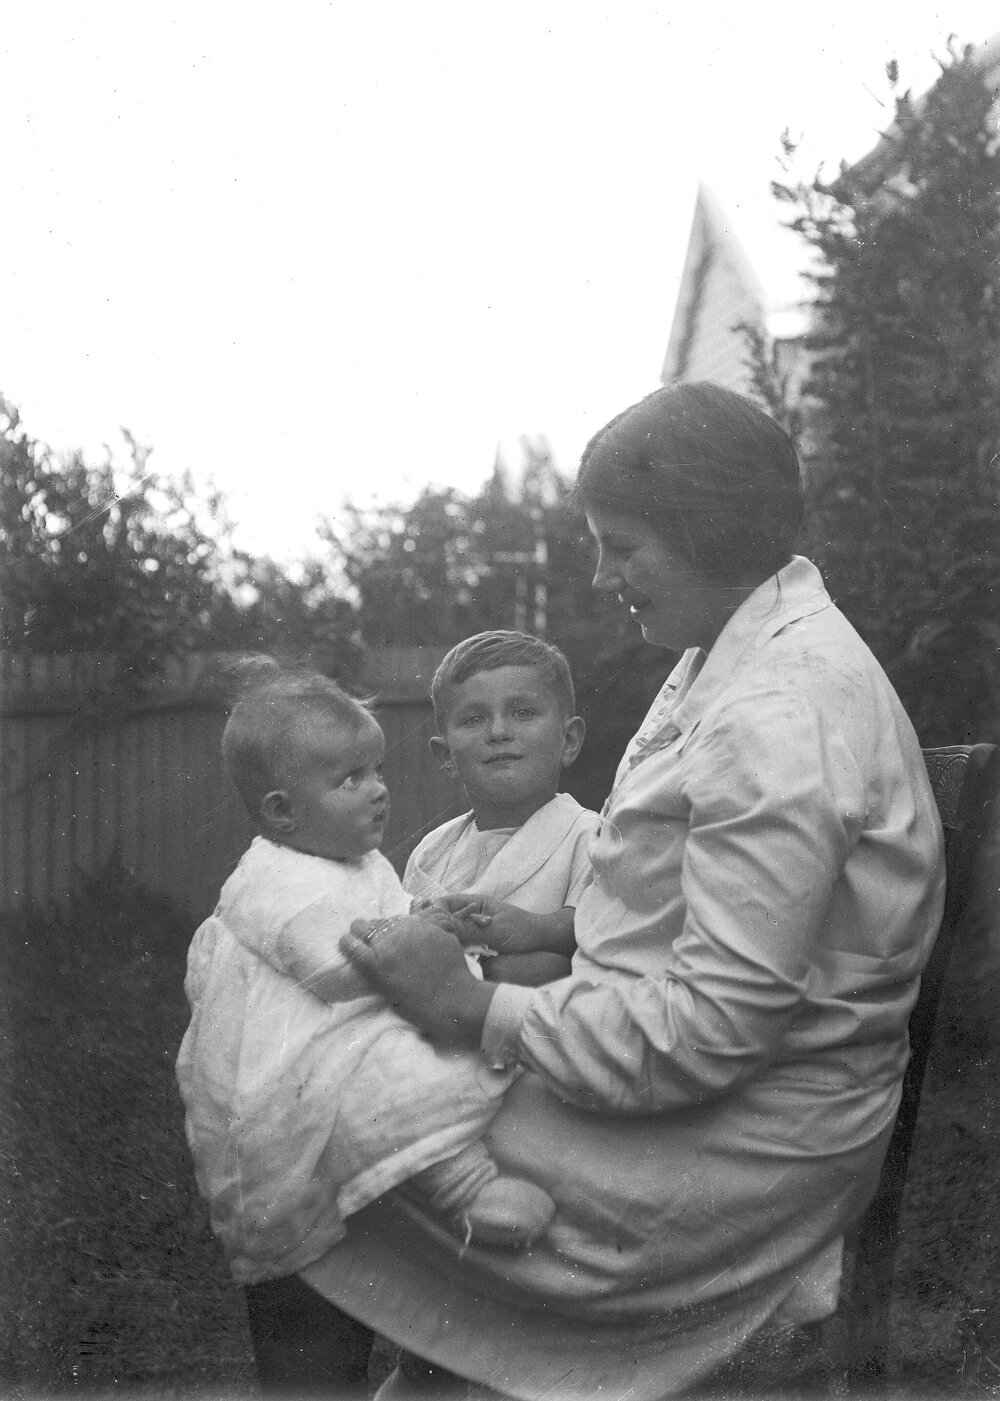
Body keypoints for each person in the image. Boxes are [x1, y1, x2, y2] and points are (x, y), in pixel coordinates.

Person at [299, 382, 946, 1401]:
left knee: (321, 1124)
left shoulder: (780, 708)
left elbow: (713, 1028)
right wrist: (537, 938)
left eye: (623, 546)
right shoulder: (728, 655)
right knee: (323, 1077)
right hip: (685, 1086)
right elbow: (675, 921)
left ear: (710, 532)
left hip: (747, 1141)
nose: (603, 576)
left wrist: (471, 1007)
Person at [175, 664, 557, 1396]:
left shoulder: (357, 859)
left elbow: (387, 910)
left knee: (410, 1072)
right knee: (384, 1093)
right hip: (292, 1063)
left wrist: (424, 916)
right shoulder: (268, 883)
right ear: (283, 812)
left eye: (376, 769)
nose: (378, 788)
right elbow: (334, 966)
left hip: (345, 1040)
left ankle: (455, 1183)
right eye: (350, 779)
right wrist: (417, 935)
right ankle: (462, 1180)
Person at [404, 630, 601, 987]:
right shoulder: (431, 851)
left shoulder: (591, 839)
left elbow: (596, 938)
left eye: (523, 712)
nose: (498, 731)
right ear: (446, 756)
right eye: (473, 719)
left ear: (568, 741)